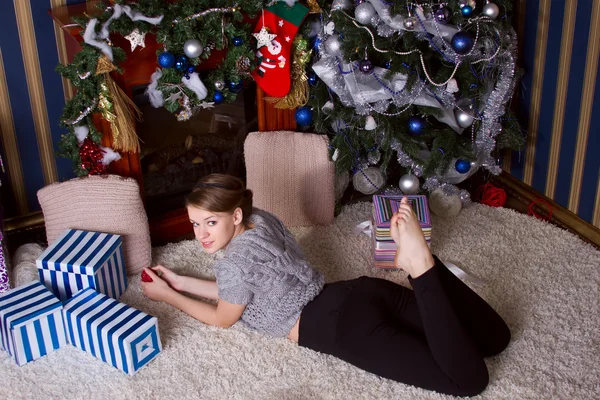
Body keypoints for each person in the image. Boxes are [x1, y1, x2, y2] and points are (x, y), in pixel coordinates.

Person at [141, 174, 510, 396]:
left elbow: (223, 316)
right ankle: (428, 266)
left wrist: (169, 296)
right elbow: (242, 289)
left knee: (469, 381)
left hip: (348, 330)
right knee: (495, 338)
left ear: (235, 215)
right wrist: (181, 279)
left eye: (209, 223)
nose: (200, 235)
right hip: (360, 292)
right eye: (194, 224)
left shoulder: (233, 265)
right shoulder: (260, 219)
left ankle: (421, 267)